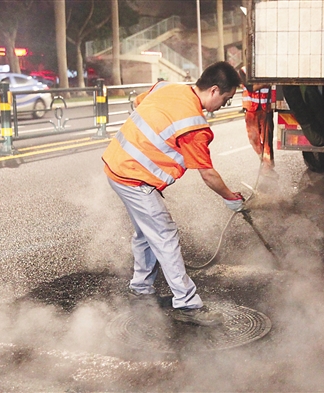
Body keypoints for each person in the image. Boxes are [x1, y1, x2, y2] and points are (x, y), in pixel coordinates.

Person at [101, 61, 243, 326]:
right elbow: (208, 175)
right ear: (214, 90)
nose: (223, 105)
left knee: (146, 233)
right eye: (225, 99)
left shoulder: (167, 87)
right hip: (134, 178)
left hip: (116, 165)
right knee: (164, 235)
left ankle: (141, 291)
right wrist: (231, 197)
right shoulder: (193, 126)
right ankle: (187, 304)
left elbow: (140, 104)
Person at [238, 66, 275, 173]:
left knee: (267, 140)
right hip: (251, 110)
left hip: (265, 109)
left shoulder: (269, 70)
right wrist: (267, 82)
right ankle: (263, 159)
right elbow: (251, 87)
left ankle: (268, 167)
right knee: (253, 139)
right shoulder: (244, 71)